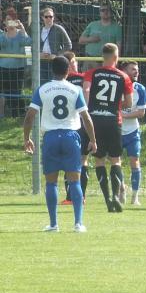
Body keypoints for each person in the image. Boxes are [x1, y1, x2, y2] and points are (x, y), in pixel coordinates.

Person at [23, 55, 97, 233]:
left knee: (51, 183)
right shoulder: (75, 89)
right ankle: (78, 223)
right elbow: (85, 117)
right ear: (68, 71)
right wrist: (93, 139)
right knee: (75, 182)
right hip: (71, 136)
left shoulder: (43, 89)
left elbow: (30, 115)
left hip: (50, 137)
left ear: (51, 70)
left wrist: (26, 138)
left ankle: (54, 224)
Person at [82, 43, 133, 212]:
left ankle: (107, 200)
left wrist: (89, 108)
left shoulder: (91, 73)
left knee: (99, 160)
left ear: (102, 56)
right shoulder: (123, 76)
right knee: (115, 160)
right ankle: (116, 196)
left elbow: (86, 90)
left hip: (95, 121)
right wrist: (117, 105)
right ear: (116, 57)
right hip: (113, 120)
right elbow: (129, 102)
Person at [61, 51, 89, 206]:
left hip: (73, 125)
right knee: (80, 160)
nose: (75, 63)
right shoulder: (84, 79)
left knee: (74, 160)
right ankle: (77, 196)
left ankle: (74, 196)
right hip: (78, 123)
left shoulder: (61, 82)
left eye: (75, 61)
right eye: (73, 61)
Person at [118, 60, 146, 207]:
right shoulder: (117, 86)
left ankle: (135, 196)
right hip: (116, 131)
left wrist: (122, 115)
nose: (136, 72)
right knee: (116, 162)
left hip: (132, 131)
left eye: (137, 69)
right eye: (133, 69)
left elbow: (141, 112)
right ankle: (121, 189)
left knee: (134, 161)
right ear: (124, 71)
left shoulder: (140, 88)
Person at [0, 15, 32, 118]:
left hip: (18, 68)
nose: (10, 22)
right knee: (5, 91)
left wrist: (22, 28)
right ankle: (5, 113)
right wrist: (5, 33)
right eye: (8, 20)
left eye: (12, 20)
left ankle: (16, 113)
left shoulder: (20, 35)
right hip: (3, 68)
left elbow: (29, 42)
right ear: (4, 22)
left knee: (16, 90)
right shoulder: (2, 35)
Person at [39, 7, 72, 82]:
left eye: (51, 16)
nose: (48, 19)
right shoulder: (39, 30)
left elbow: (69, 45)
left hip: (55, 61)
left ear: (53, 18)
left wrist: (57, 55)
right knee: (42, 84)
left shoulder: (59, 29)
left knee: (53, 82)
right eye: (46, 17)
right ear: (42, 18)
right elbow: (33, 45)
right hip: (41, 61)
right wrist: (39, 54)